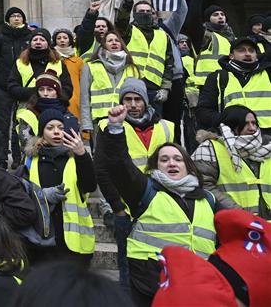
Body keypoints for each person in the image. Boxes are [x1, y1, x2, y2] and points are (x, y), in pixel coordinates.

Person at [97, 103, 234, 307]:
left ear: (188, 167)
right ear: (154, 166)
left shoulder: (209, 199)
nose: (172, 163)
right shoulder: (145, 191)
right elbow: (119, 165)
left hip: (199, 288)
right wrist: (116, 128)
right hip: (153, 286)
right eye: (164, 159)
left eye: (178, 159)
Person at [94, 77, 176, 287]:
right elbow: (102, 170)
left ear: (145, 102)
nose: (132, 105)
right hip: (126, 209)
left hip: (159, 207)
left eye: (137, 99)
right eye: (127, 99)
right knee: (128, 271)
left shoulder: (167, 127)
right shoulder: (107, 126)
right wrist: (117, 207)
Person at [19, 107, 96, 267]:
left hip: (73, 245)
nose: (56, 132)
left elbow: (90, 186)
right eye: (50, 128)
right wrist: (43, 196)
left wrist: (82, 154)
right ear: (42, 132)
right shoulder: (29, 161)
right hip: (40, 241)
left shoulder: (76, 159)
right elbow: (20, 196)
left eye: (60, 128)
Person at [191, 105, 271, 219]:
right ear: (231, 125)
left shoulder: (267, 148)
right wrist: (239, 213)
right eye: (246, 123)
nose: (252, 128)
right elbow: (203, 186)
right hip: (232, 223)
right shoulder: (209, 148)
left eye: (254, 123)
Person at [115, 0, 178, 118]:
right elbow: (120, 21)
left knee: (154, 125)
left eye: (148, 11)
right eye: (141, 11)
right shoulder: (128, 31)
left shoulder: (163, 35)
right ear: (134, 14)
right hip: (131, 86)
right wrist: (128, 1)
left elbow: (169, 64)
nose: (145, 13)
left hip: (154, 90)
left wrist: (165, 88)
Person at [0, 7, 32, 161]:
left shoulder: (30, 38)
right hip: (2, 89)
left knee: (23, 124)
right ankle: (1, 159)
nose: (16, 18)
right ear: (7, 20)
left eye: (19, 16)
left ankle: (19, 159)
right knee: (2, 126)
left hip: (24, 89)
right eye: (13, 16)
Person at [197, 36, 271, 137]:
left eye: (251, 50)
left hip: (266, 137)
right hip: (232, 136)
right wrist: (225, 120)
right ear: (231, 56)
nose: (248, 54)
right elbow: (203, 112)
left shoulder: (268, 74)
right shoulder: (218, 77)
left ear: (256, 56)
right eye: (241, 50)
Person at [79, 31, 142, 135]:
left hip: (127, 119)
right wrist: (86, 124)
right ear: (104, 45)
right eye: (110, 40)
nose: (114, 43)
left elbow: (140, 97)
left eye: (117, 40)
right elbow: (84, 98)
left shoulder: (132, 68)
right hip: (99, 122)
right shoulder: (91, 67)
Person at [14, 72, 78, 147]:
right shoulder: (28, 114)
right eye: (41, 89)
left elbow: (74, 142)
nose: (45, 93)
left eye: (50, 89)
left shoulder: (68, 115)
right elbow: (25, 143)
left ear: (57, 92)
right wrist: (40, 143)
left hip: (64, 157)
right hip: (36, 156)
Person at [52, 28, 84, 120]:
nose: (62, 40)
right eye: (59, 38)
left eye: (65, 38)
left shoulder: (78, 61)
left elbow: (83, 83)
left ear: (70, 40)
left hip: (75, 101)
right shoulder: (51, 59)